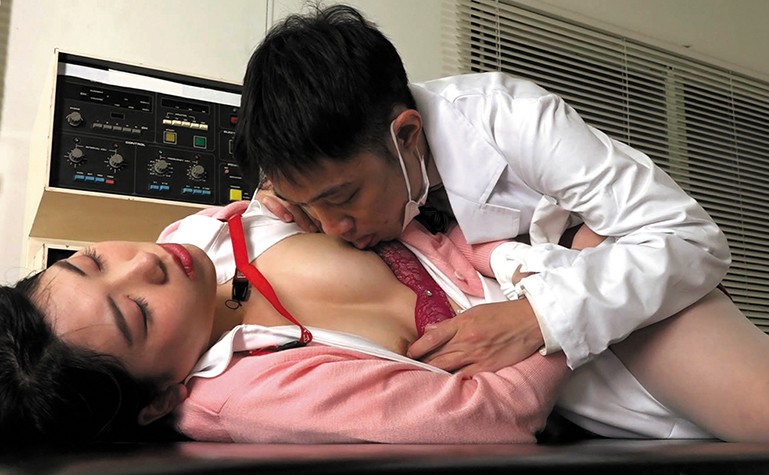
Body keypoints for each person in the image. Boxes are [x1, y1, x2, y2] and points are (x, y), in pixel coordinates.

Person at [3, 199, 769, 444]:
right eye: (136, 313)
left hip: (542, 244)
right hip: (589, 335)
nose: (142, 264)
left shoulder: (196, 236)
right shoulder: (252, 396)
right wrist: (556, 306)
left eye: (92, 260)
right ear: (155, 400)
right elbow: (490, 417)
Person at [235, 4, 732, 375]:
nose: (333, 229)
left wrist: (536, 317)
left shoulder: (516, 120)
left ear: (406, 136)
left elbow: (693, 240)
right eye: (309, 206)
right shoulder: (311, 180)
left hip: (643, 310)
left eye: (342, 199)